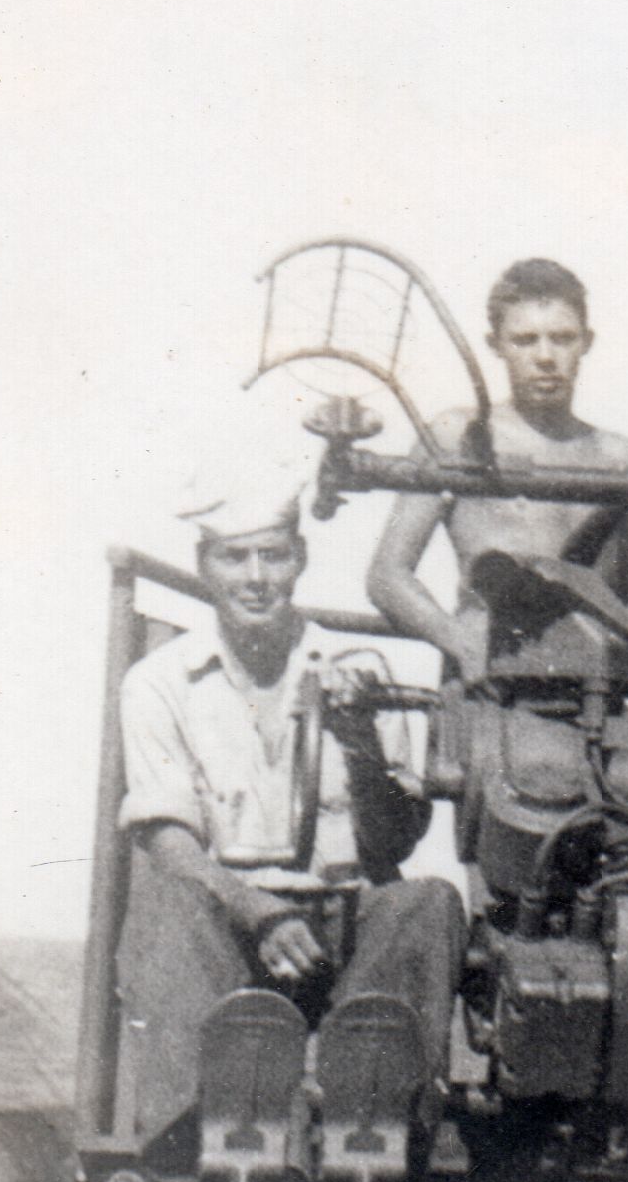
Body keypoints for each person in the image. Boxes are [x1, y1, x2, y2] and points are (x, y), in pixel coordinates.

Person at [113, 467, 464, 1144]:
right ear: (205, 566)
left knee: (428, 903)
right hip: (224, 925)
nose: (255, 578)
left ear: (299, 559)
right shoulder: (160, 682)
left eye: (273, 556)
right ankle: (200, 1139)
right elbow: (166, 839)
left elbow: (395, 843)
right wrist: (258, 911)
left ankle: (371, 1129)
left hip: (341, 931)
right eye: (234, 557)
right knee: (163, 903)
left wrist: (361, 743)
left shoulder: (361, 672)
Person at [367, 259, 628, 683]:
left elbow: (625, 596)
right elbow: (387, 576)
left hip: (593, 688)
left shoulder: (618, 459)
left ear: (586, 342)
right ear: (495, 344)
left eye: (562, 338)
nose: (545, 357)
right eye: (525, 340)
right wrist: (457, 640)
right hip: (489, 689)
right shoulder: (457, 438)